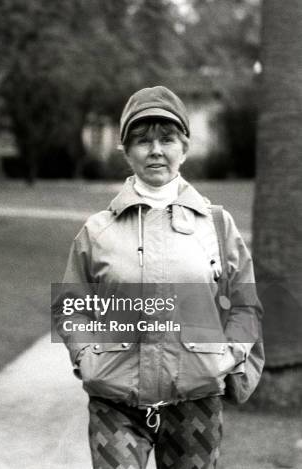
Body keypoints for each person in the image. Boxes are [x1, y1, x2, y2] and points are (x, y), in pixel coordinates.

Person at [53, 86, 262, 468]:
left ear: (184, 146)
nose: (155, 151)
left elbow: (246, 304)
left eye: (167, 139)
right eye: (142, 141)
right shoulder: (98, 231)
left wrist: (226, 357)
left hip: (195, 405)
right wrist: (86, 356)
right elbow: (71, 308)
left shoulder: (217, 225)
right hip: (115, 406)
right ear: (126, 149)